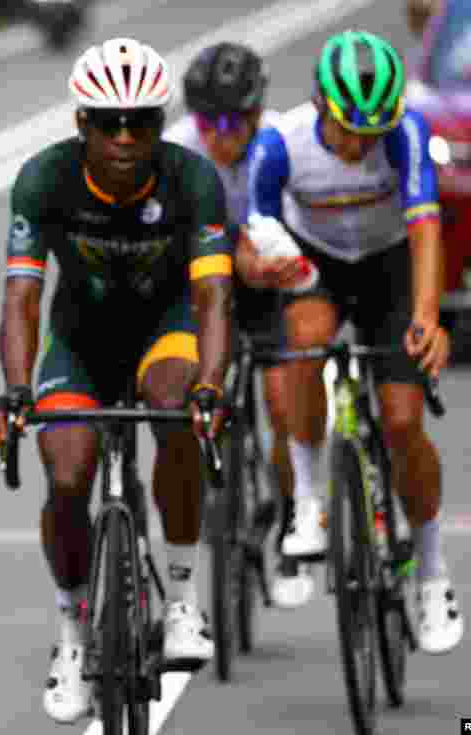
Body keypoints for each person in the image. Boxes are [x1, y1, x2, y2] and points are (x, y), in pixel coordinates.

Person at [0, 37, 233, 723]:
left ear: (162, 122)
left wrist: (211, 386)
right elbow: (20, 298)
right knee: (67, 474)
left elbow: (214, 298)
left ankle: (184, 596)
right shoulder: (45, 179)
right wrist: (14, 389)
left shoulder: (193, 179)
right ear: (82, 125)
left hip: (168, 328)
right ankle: (72, 632)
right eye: (108, 122)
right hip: (82, 340)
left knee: (176, 406)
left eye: (143, 121)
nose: (126, 137)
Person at [246, 30, 464, 654]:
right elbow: (256, 224)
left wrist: (427, 316)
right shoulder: (279, 144)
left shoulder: (407, 133)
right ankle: (309, 498)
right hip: (316, 260)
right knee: (308, 341)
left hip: (389, 264)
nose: (363, 143)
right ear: (320, 106)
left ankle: (431, 572)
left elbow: (425, 227)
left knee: (402, 421)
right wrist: (271, 264)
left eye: (375, 130)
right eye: (350, 130)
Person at [164, 41, 319, 608]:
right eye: (207, 120)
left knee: (284, 405)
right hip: (205, 282)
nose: (217, 133)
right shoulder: (176, 150)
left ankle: (283, 529)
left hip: (269, 280)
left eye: (231, 121)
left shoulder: (283, 144)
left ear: (256, 114)